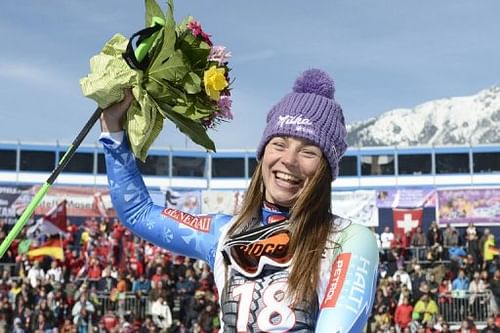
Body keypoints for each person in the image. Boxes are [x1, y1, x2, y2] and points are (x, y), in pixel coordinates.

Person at [99, 68, 379, 331]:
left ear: (325, 169)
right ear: (263, 154)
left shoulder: (350, 238)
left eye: (308, 152)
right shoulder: (224, 233)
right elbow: (137, 211)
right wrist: (112, 128)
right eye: (279, 144)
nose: (289, 160)